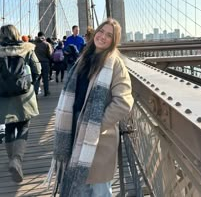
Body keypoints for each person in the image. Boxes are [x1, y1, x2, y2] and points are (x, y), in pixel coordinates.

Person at [47, 18, 134, 196]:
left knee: (99, 190)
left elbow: (124, 102)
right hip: (73, 131)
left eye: (109, 35)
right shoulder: (84, 59)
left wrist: (96, 125)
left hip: (97, 139)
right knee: (79, 189)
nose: (102, 37)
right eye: (101, 31)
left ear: (114, 41)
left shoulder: (115, 64)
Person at [0, 24, 41, 182]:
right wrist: (31, 84)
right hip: (24, 97)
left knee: (9, 128)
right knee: (23, 127)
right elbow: (36, 70)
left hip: (3, 97)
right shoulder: (27, 49)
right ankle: (16, 160)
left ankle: (12, 160)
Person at [35, 32, 53, 96]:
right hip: (45, 63)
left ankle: (36, 92)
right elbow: (50, 54)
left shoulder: (34, 44)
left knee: (37, 78)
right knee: (45, 78)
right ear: (43, 36)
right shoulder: (47, 44)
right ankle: (46, 91)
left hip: (36, 63)